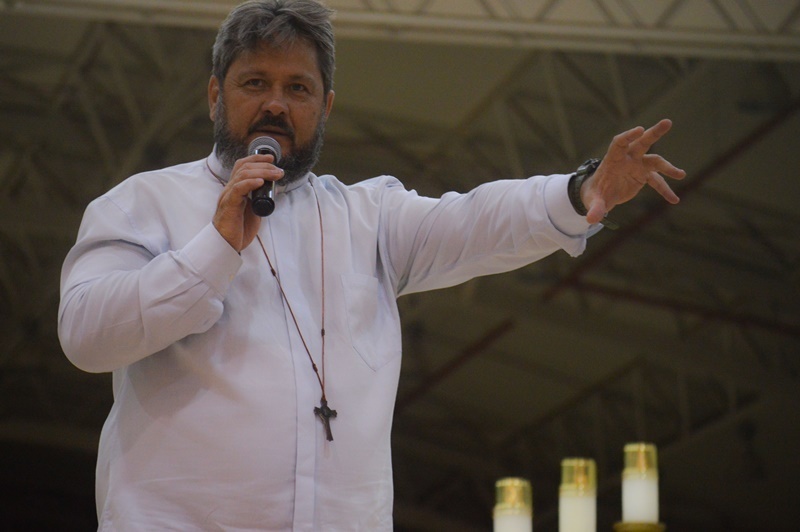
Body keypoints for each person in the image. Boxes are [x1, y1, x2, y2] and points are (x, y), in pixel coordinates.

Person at [57, 0, 686, 529]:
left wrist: (582, 192)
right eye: (254, 84)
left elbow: (475, 220)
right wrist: (213, 250)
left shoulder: (369, 216)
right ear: (215, 95)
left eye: (298, 88)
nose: (276, 104)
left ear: (325, 106)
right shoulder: (142, 203)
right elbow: (85, 334)